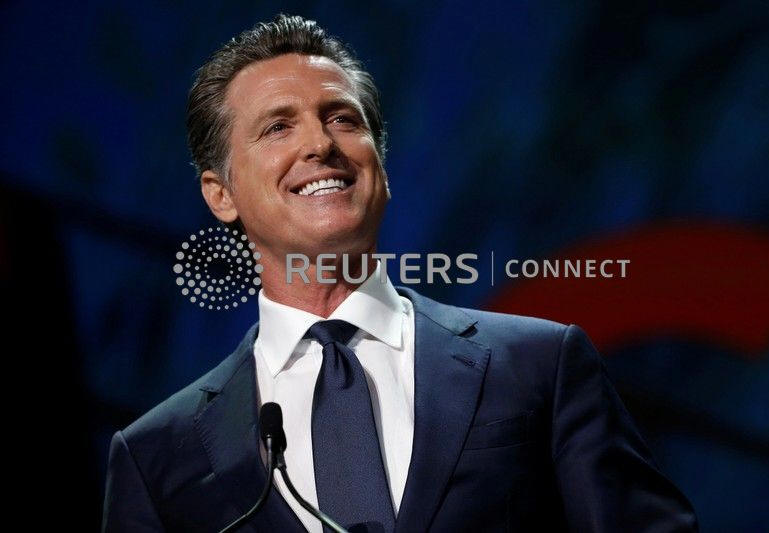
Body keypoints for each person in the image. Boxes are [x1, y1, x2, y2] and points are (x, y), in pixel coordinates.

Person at [101, 14, 698, 532]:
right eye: (278, 127)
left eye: (342, 118)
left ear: (381, 170)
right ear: (221, 194)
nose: (321, 144)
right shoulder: (156, 456)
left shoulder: (540, 366)